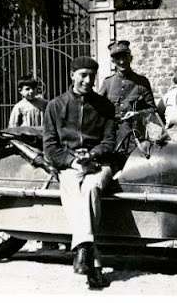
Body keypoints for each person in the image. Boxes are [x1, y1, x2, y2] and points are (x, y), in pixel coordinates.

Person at [43, 56, 115, 289]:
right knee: (76, 189)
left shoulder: (105, 106)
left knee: (92, 187)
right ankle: (90, 260)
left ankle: (82, 250)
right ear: (72, 75)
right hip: (71, 166)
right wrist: (73, 161)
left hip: (98, 164)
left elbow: (109, 141)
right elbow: (50, 147)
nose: (87, 80)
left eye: (91, 76)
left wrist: (92, 155)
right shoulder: (55, 106)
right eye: (82, 75)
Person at [98, 40, 156, 148]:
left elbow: (153, 109)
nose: (121, 62)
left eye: (124, 57)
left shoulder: (142, 82)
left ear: (131, 58)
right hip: (111, 136)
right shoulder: (107, 82)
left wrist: (137, 114)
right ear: (113, 61)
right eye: (117, 58)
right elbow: (97, 108)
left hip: (133, 137)